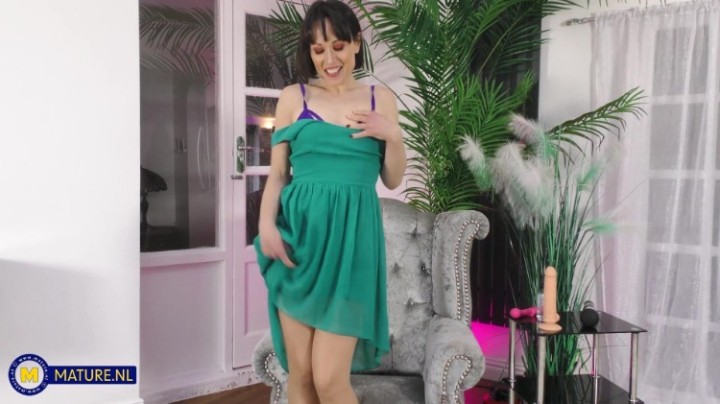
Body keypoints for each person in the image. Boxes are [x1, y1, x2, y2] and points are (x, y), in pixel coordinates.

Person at [253, 1, 406, 403]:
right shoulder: (294, 97)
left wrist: (392, 135)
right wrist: (266, 225)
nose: (329, 60)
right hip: (300, 241)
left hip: (352, 247)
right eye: (318, 50)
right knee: (301, 375)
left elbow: (392, 178)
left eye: (338, 46)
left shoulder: (380, 99)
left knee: (329, 379)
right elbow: (278, 174)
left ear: (356, 42)